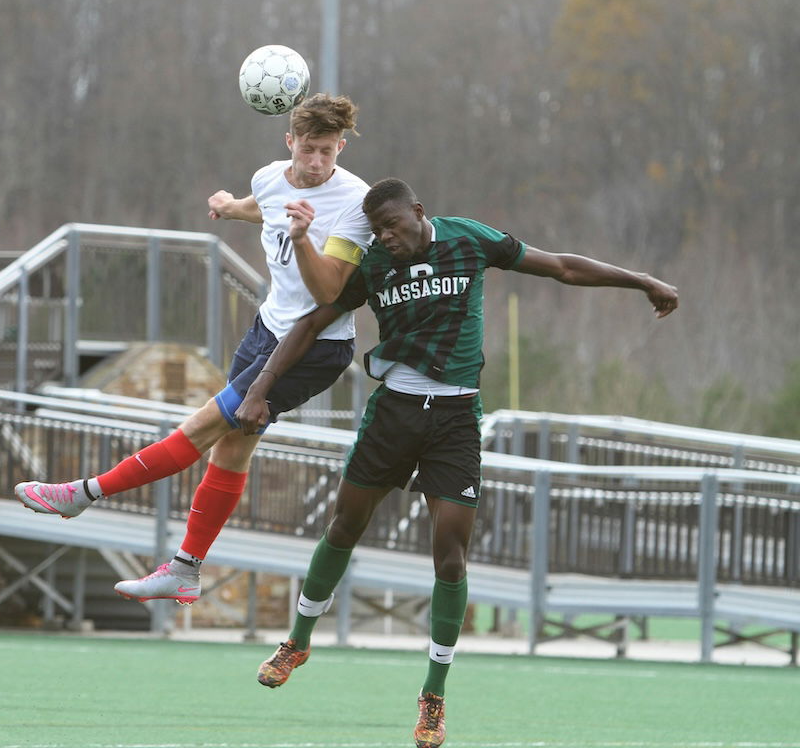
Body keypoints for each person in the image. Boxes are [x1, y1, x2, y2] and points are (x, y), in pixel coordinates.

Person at [237, 178, 679, 748]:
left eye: (392, 227)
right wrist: (260, 389)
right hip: (393, 411)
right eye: (377, 232)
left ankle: (434, 695)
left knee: (450, 554)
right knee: (345, 526)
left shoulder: (470, 241)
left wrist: (641, 280)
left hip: (455, 421)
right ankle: (298, 640)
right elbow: (311, 323)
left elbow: (562, 267)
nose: (386, 238)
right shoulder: (374, 266)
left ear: (418, 213)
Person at [15, 93, 374, 603]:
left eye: (328, 152)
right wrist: (230, 208)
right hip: (265, 332)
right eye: (309, 150)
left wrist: (303, 238)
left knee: (204, 425)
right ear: (290, 141)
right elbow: (264, 207)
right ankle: (185, 569)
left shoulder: (354, 204)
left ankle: (82, 493)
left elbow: (330, 293)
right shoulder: (270, 177)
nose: (317, 163)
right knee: (231, 447)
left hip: (311, 348)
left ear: (342, 147)